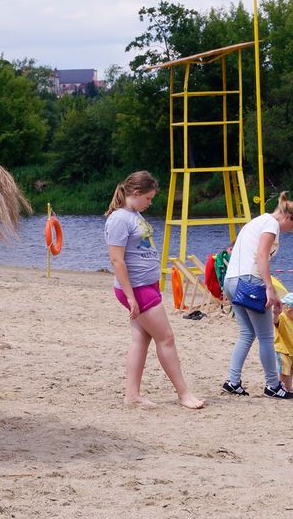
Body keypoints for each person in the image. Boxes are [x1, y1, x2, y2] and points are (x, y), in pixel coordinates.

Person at [104, 171, 204, 410]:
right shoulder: (119, 219)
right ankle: (184, 393)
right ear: (136, 193)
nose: (150, 203)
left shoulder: (134, 214)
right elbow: (117, 260)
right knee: (166, 338)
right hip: (136, 288)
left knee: (141, 339)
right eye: (148, 198)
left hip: (146, 286)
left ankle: (132, 395)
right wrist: (130, 297)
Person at [222, 191, 293, 400]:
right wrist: (269, 287)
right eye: (292, 228)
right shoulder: (272, 225)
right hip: (250, 281)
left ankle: (233, 381)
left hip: (232, 281)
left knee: (247, 333)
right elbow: (261, 256)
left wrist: (271, 289)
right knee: (267, 336)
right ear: (287, 217)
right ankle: (272, 384)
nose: (287, 231)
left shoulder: (256, 221)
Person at [272, 282, 293, 391]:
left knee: (291, 369)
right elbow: (275, 322)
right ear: (289, 309)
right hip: (282, 349)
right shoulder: (282, 317)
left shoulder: (291, 320)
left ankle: (288, 386)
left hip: (291, 349)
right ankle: (280, 386)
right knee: (283, 369)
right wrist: (276, 313)